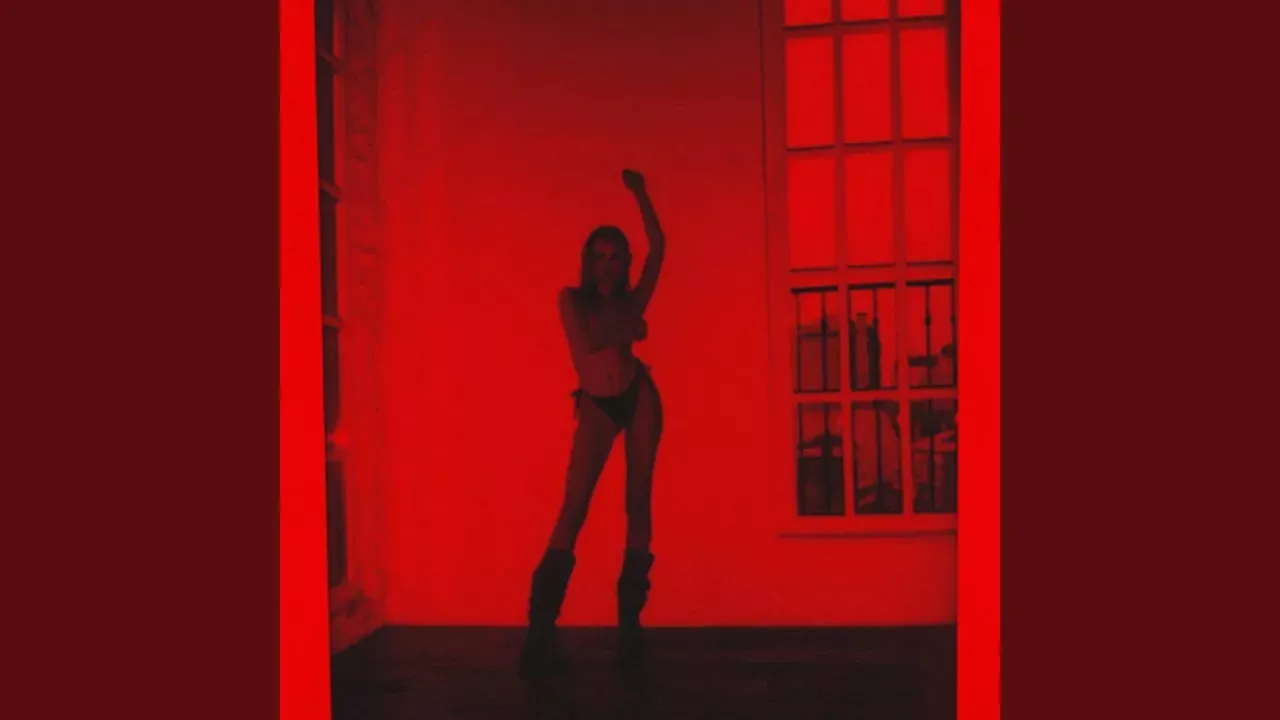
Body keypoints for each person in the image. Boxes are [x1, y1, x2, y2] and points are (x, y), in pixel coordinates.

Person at [519, 169, 667, 679]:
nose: (607, 264)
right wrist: (634, 328)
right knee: (574, 506)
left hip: (638, 396)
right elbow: (587, 345)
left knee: (638, 501)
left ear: (624, 261)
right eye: (599, 255)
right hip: (599, 406)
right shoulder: (571, 298)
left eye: (616, 256)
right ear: (588, 260)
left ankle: (630, 623)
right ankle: (540, 627)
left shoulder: (628, 300)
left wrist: (641, 193)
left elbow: (660, 249)